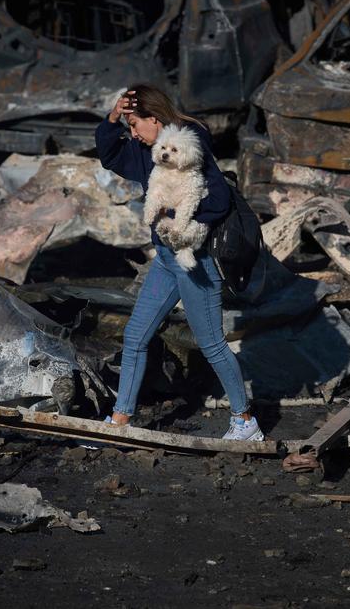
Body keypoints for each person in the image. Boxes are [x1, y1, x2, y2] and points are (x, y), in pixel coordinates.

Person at [95, 84, 262, 441]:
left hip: (195, 259)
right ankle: (121, 420)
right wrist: (112, 118)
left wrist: (176, 211)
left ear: (154, 120)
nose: (133, 134)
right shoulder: (146, 151)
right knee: (135, 336)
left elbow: (218, 198)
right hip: (167, 259)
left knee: (212, 344)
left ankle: (245, 421)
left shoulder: (189, 147)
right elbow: (109, 156)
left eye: (135, 125)